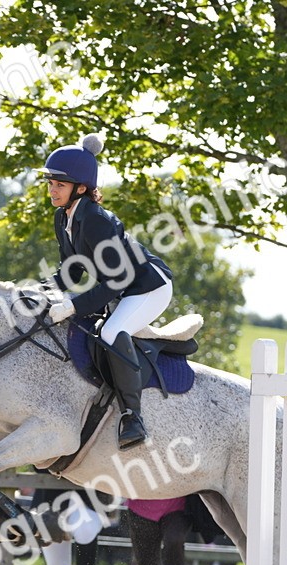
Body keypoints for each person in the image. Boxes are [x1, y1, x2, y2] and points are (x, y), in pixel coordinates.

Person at [40, 133, 175, 450]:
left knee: (112, 331)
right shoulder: (63, 218)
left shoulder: (97, 220)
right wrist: (40, 292)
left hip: (149, 286)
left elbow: (118, 279)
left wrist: (73, 307)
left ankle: (132, 416)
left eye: (59, 184)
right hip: (122, 288)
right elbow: (72, 269)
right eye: (50, 183)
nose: (52, 190)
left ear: (81, 188)